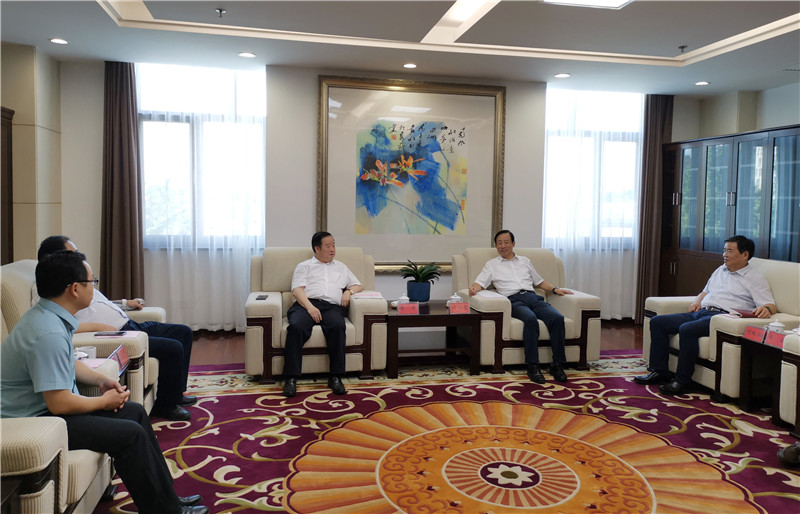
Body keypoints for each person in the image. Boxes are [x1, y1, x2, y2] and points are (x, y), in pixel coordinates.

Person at [0, 251, 208, 514]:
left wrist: (101, 379)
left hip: (46, 412)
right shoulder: (47, 332)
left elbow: (66, 363)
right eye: (91, 281)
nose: (94, 287)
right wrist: (103, 402)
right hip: (35, 422)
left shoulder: (48, 317)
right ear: (75, 289)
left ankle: (169, 500)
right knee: (130, 435)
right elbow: (59, 403)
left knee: (135, 412)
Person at [37, 236, 196, 421]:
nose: (79, 258)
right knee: (173, 348)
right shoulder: (52, 292)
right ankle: (167, 405)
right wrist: (99, 326)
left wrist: (125, 303)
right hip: (119, 333)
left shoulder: (78, 280)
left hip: (131, 324)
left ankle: (176, 394)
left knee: (184, 332)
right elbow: (58, 320)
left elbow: (99, 302)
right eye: (73, 254)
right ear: (57, 258)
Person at [635, 235, 776, 396]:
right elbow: (705, 291)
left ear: (745, 255)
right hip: (701, 312)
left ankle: (682, 381)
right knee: (657, 322)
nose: (724, 255)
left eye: (729, 251)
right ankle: (659, 372)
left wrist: (767, 309)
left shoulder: (755, 279)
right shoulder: (720, 270)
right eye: (724, 250)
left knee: (687, 329)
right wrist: (697, 301)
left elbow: (770, 305)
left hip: (721, 318)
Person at [468, 230, 573, 384]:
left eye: (506, 242)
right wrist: (474, 288)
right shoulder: (492, 265)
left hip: (533, 297)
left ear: (513, 244)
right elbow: (480, 282)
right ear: (496, 246)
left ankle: (557, 365)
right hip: (513, 300)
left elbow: (539, 281)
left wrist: (555, 289)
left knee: (557, 318)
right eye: (499, 243)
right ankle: (533, 366)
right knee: (530, 319)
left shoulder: (525, 261)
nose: (503, 246)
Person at [282, 231, 362, 397]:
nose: (332, 249)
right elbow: (297, 291)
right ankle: (291, 378)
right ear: (317, 248)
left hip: (331, 307)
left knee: (338, 326)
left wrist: (348, 292)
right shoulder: (304, 266)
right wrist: (310, 308)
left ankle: (336, 377)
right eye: (328, 246)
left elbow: (357, 284)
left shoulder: (341, 267)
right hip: (305, 305)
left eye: (334, 245)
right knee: (296, 327)